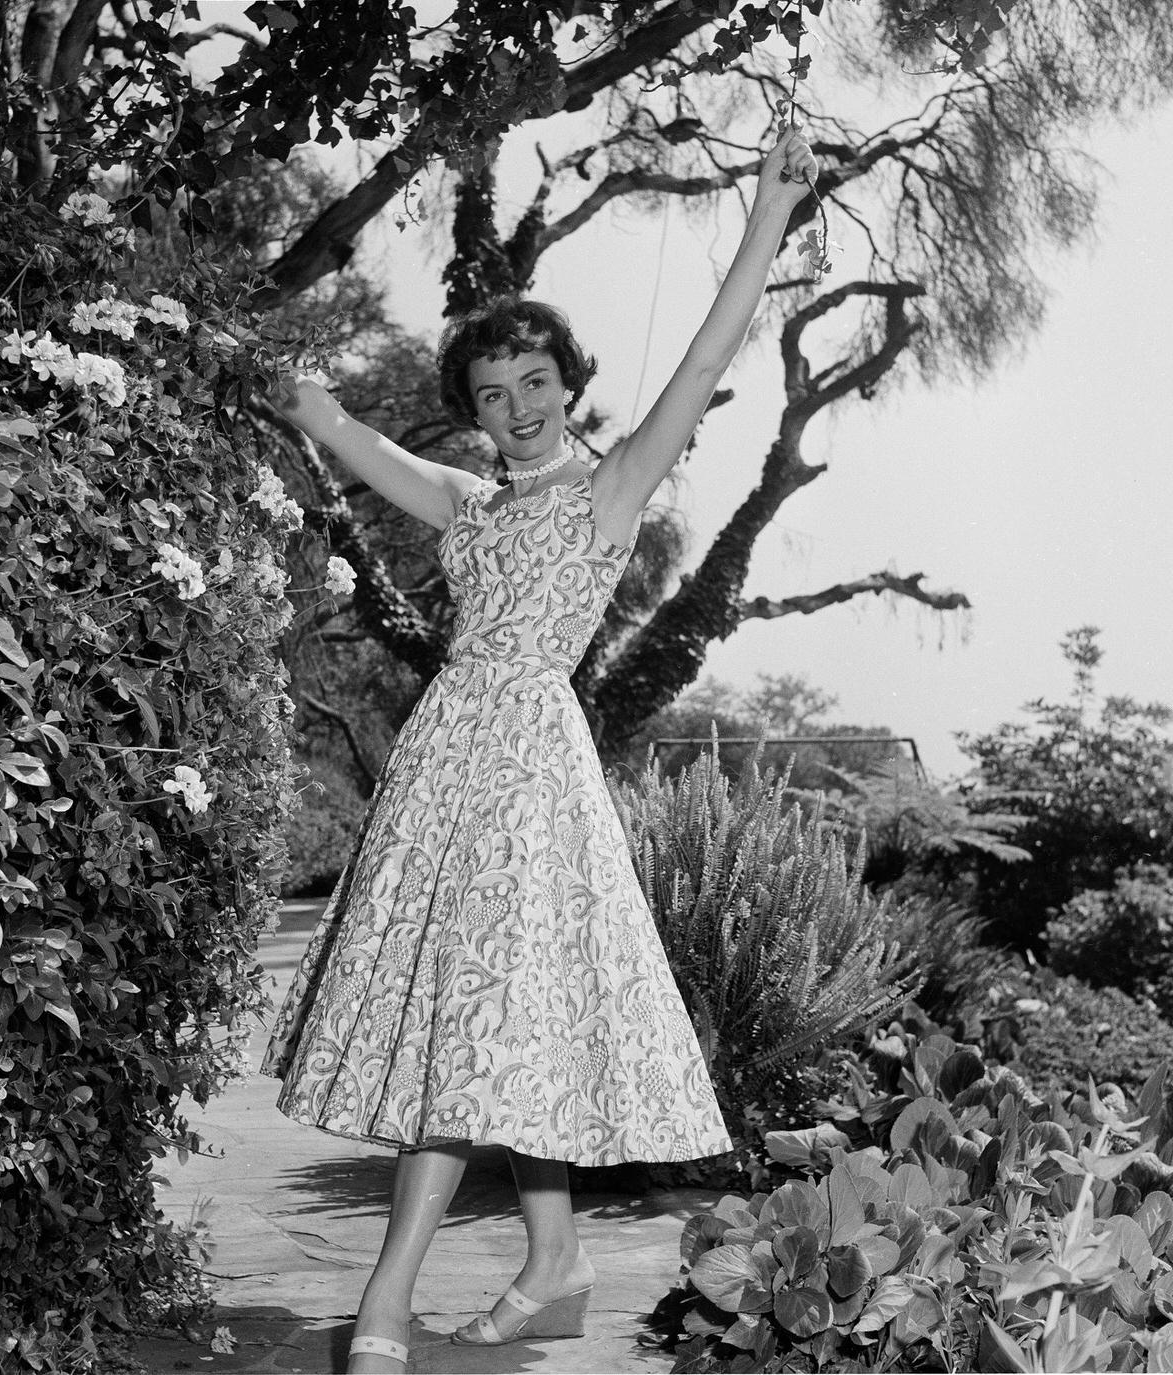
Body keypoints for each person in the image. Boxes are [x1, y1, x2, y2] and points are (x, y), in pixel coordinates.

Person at [259, 127, 820, 1374]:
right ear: (472, 410)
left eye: (533, 383)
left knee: (472, 1021)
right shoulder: (467, 503)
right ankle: (555, 1262)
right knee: (496, 1020)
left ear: (568, 382)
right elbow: (349, 436)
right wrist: (271, 375)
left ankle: (387, 1295)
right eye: (490, 395)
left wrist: (766, 218)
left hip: (527, 773)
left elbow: (706, 355)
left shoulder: (609, 490)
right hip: (441, 769)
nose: (514, 410)